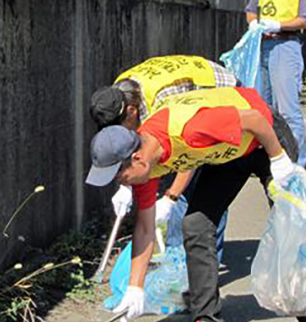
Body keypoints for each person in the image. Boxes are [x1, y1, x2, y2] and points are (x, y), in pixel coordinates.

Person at [86, 87, 306, 322]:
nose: (121, 183)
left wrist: (279, 160)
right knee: (196, 225)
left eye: (120, 177)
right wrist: (135, 287)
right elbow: (144, 227)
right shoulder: (145, 165)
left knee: (290, 224)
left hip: (265, 137)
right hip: (226, 152)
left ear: (136, 159)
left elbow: (255, 120)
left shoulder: (189, 128)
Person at [90, 55, 239, 258]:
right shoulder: (114, 100)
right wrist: (125, 185)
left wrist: (170, 198)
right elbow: (123, 148)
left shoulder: (162, 106)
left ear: (132, 112)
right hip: (188, 96)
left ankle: (199, 266)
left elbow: (190, 153)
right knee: (171, 185)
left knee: (206, 188)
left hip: (222, 94)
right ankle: (182, 261)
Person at [245, 0, 306, 166]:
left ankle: (297, 164)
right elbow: (251, 9)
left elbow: (304, 19)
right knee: (262, 107)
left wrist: (278, 24)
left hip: (286, 46)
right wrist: (254, 23)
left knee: (288, 110)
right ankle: (270, 160)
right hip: (262, 45)